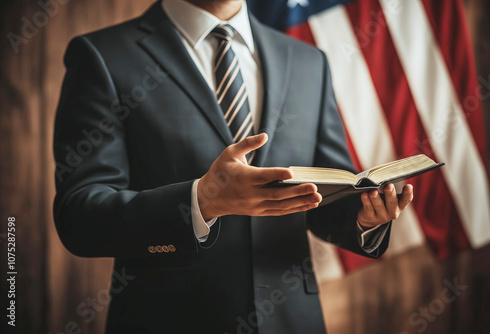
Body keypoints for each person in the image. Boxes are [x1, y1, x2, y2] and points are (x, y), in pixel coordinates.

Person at [53, 0, 413, 333]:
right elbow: (80, 216)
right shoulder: (103, 55)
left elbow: (325, 196)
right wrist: (203, 201)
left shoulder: (308, 61)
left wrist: (365, 218)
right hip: (167, 318)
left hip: (292, 319)